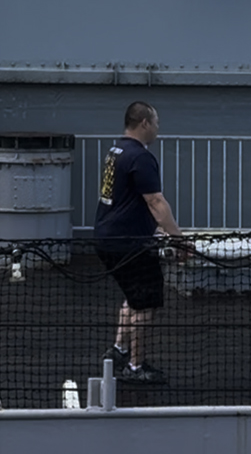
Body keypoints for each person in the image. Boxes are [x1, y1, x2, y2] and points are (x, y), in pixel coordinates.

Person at [94, 101, 184, 385]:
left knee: (133, 296)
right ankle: (136, 366)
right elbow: (155, 202)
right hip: (129, 244)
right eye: (156, 122)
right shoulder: (140, 157)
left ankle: (119, 350)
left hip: (109, 238)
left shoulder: (116, 151)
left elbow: (124, 199)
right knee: (145, 304)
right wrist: (179, 239)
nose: (158, 128)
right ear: (144, 123)